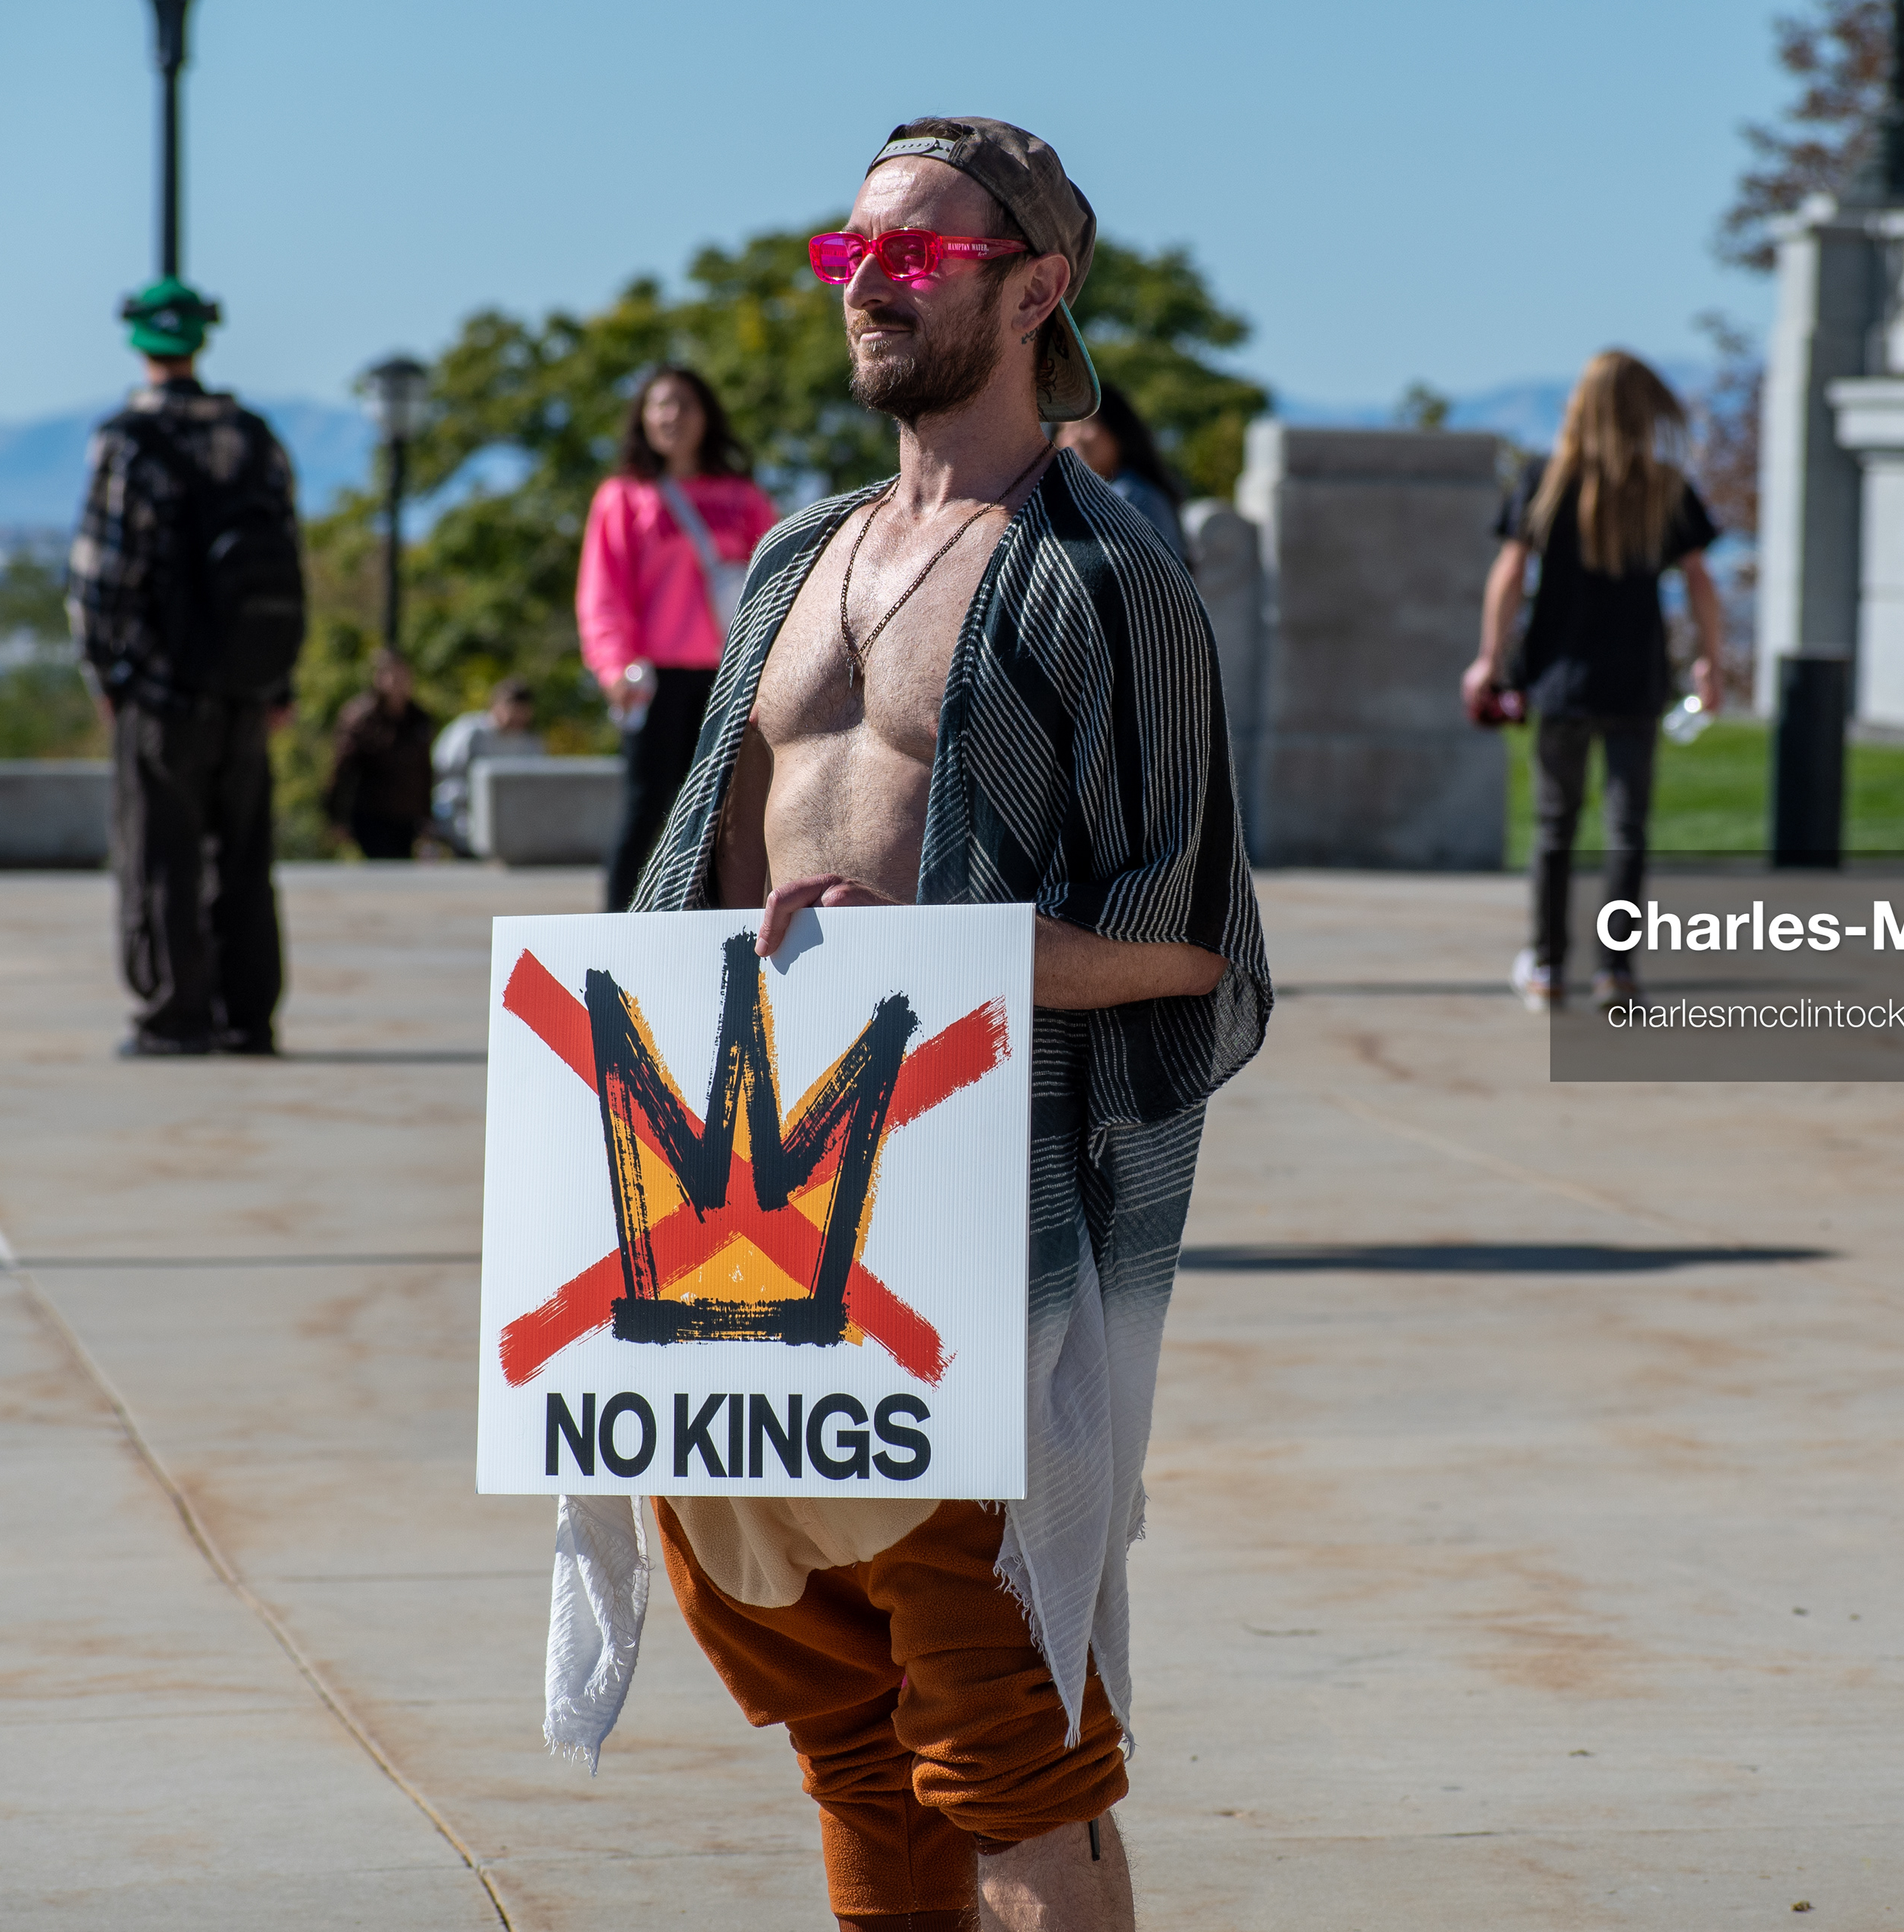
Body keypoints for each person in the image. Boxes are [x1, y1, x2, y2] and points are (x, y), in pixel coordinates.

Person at [546, 117, 1269, 1932]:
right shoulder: (790, 559)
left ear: (1036, 289)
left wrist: (954, 959)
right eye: (849, 250)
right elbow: (697, 877)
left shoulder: (1112, 584)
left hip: (964, 1265)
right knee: (852, 1756)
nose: (867, 280)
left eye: (919, 255)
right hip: (733, 1242)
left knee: (1009, 1758)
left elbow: (1194, 951)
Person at [68, 276, 306, 1059]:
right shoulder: (256, 437)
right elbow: (287, 562)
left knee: (160, 851)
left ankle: (176, 1014)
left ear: (138, 341)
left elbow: (103, 575)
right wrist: (276, 679)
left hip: (164, 687)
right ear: (204, 338)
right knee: (242, 855)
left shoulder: (129, 442)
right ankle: (249, 1014)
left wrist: (107, 671)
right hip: (246, 684)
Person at [1462, 349, 1724, 1010]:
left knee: (1556, 826)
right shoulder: (1663, 486)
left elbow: (1509, 573)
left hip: (1561, 679)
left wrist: (1489, 657)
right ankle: (1616, 971)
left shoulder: (1545, 479)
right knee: (1627, 829)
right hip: (1636, 679)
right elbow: (1700, 581)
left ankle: (1548, 967)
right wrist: (1709, 662)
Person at [577, 366, 781, 910]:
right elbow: (604, 591)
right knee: (647, 811)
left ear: (706, 416)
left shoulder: (744, 497)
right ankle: (618, 934)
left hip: (734, 677)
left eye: (684, 404)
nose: (672, 416)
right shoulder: (623, 497)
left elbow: (781, 581)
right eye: (660, 405)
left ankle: (720, 932)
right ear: (642, 418)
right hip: (656, 678)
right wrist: (613, 665)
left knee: (731, 813)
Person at [1052, 384, 1189, 560]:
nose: (1074, 437)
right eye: (1064, 428)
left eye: (1088, 422)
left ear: (1118, 429)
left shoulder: (1133, 496)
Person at [325, 649, 438, 860]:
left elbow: (424, 770)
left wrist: (427, 817)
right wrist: (337, 817)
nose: (398, 682)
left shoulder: (418, 718)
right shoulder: (361, 718)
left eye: (403, 675)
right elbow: (343, 769)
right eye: (392, 675)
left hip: (407, 815)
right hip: (371, 815)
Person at [431, 676, 543, 855]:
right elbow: (446, 777)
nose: (516, 719)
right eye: (512, 710)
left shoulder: (530, 743)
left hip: (512, 834)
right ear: (496, 705)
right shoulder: (470, 733)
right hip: (464, 825)